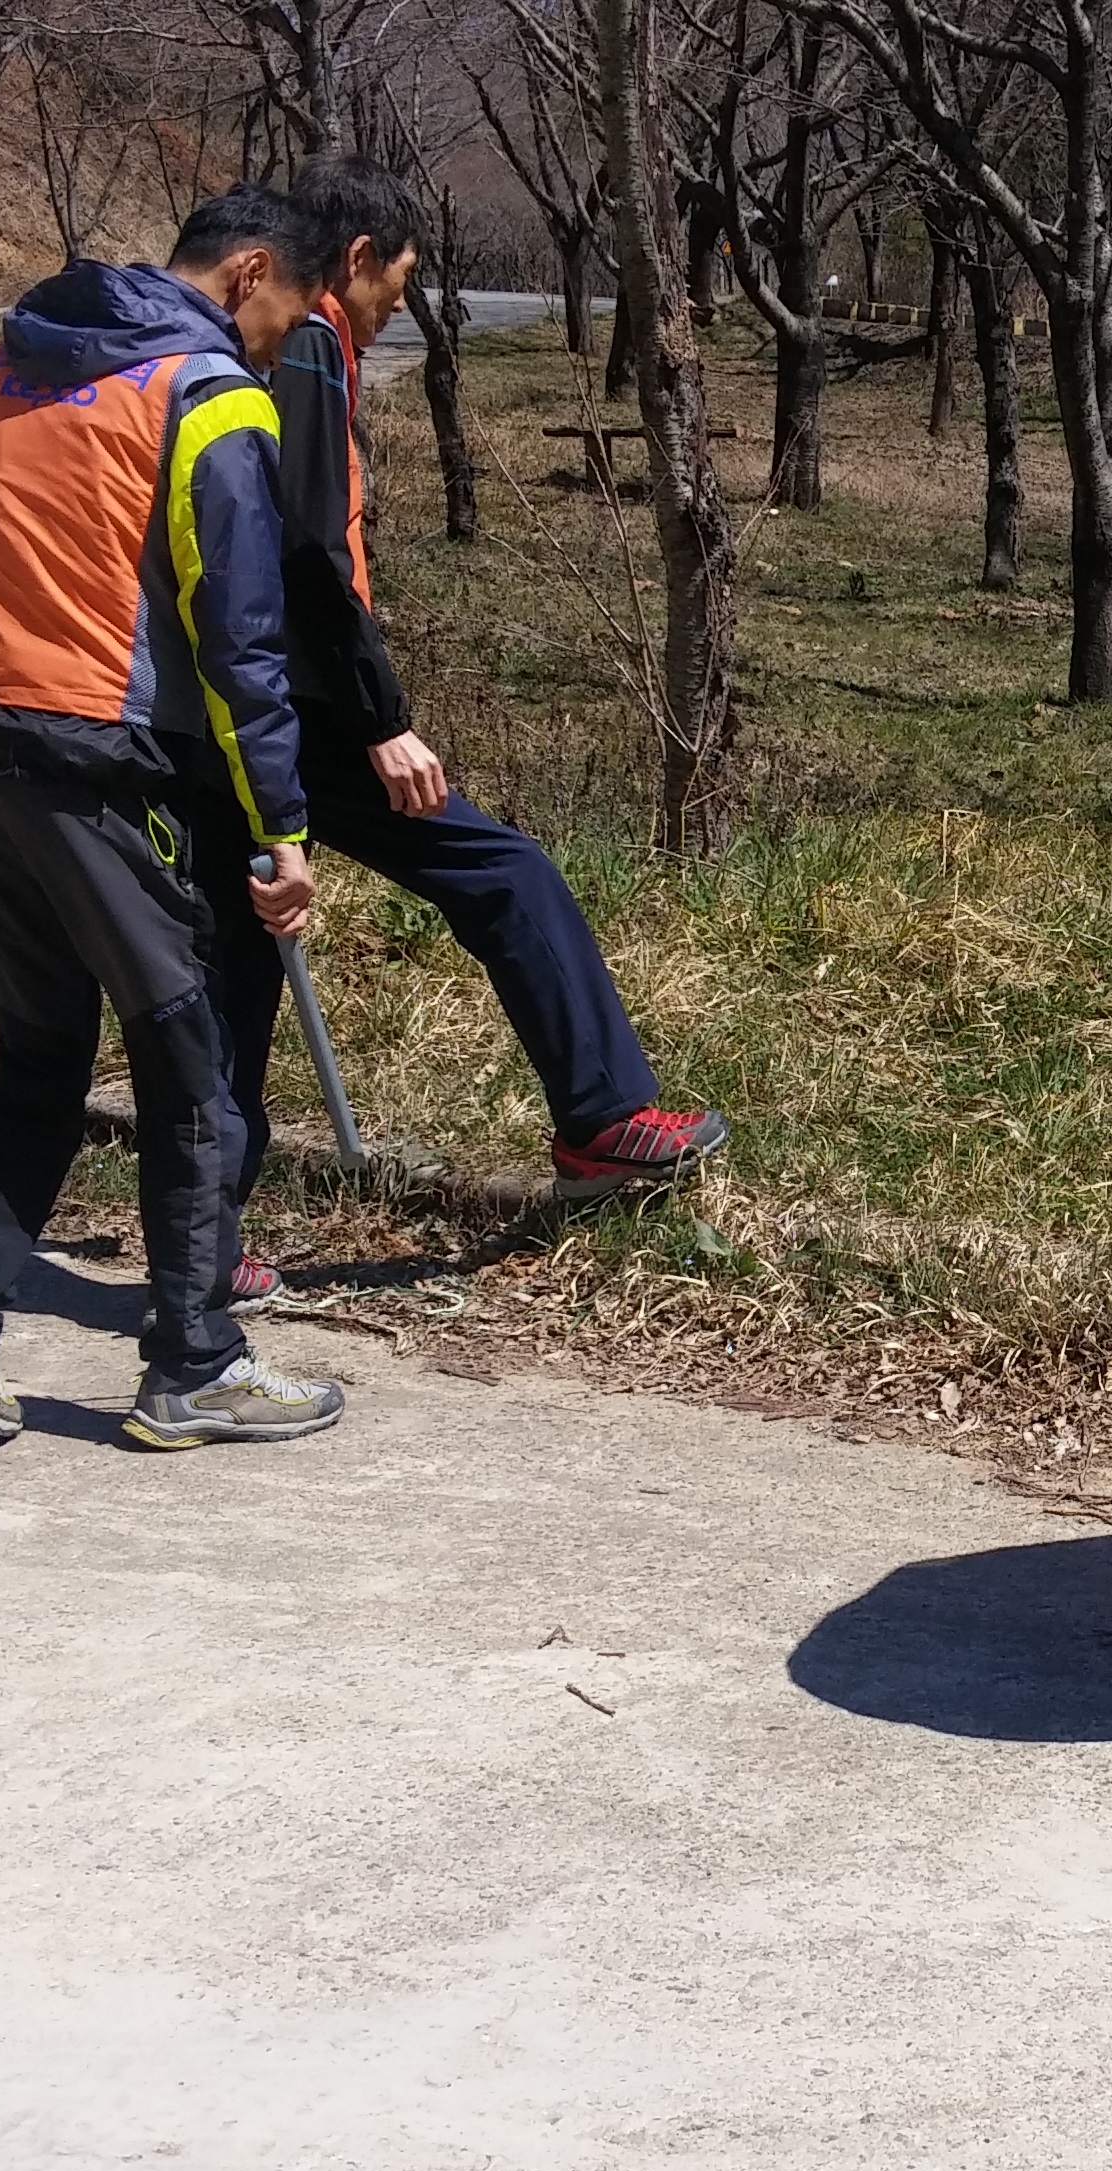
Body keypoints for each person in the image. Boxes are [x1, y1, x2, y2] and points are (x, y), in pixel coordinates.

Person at [184, 156, 720, 1312]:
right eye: (400, 278)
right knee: (502, 870)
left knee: (240, 958)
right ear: (356, 260)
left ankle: (203, 1246)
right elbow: (307, 551)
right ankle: (601, 1119)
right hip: (303, 707)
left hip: (229, 700)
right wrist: (383, 720)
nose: (401, 305)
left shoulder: (263, 351)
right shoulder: (311, 347)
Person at [0, 188, 350, 1452]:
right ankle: (194, 1363)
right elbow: (240, 635)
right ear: (247, 272)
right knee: (191, 1067)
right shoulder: (207, 396)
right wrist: (282, 827)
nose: (276, 346)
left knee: (38, 1055)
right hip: (106, 773)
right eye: (286, 316)